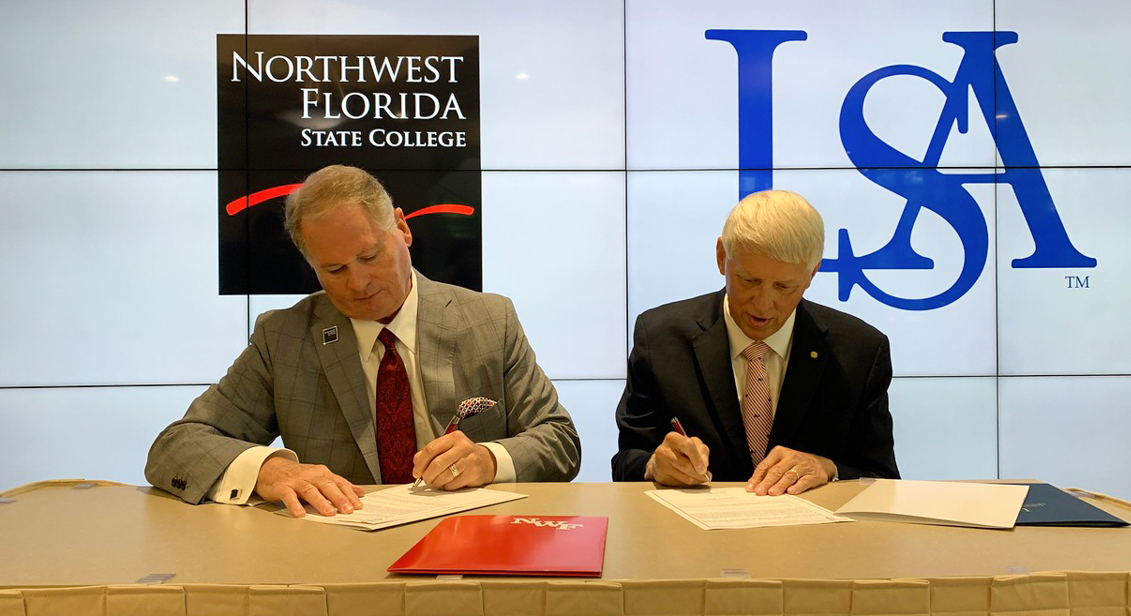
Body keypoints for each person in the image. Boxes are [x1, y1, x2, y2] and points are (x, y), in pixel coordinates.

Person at [147, 165, 580, 517]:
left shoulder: (489, 319)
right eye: (334, 270)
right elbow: (175, 446)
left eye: (370, 256)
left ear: (402, 229)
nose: (358, 283)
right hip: (340, 556)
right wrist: (267, 468)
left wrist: (488, 460)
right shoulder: (284, 338)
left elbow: (559, 440)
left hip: (472, 543)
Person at [612, 189, 899, 495]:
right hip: (692, 538)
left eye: (784, 286)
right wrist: (655, 466)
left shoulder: (860, 351)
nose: (764, 304)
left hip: (813, 539)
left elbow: (882, 479)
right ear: (722, 257)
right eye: (749, 281)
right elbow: (626, 461)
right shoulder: (659, 337)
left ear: (812, 273)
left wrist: (827, 468)